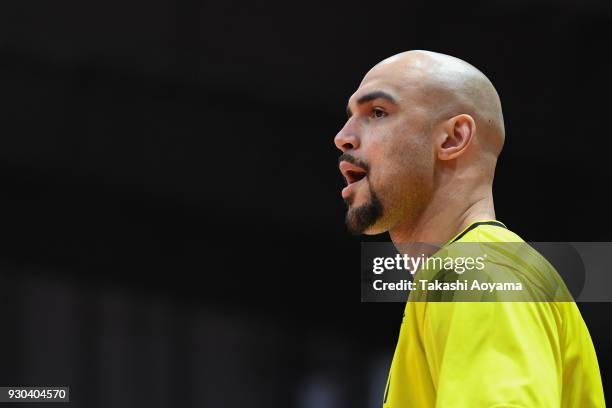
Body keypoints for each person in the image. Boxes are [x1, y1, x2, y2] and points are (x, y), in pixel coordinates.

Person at [335, 50, 605, 407]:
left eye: (378, 113)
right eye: (350, 117)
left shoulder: (478, 271)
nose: (343, 137)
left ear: (452, 138)